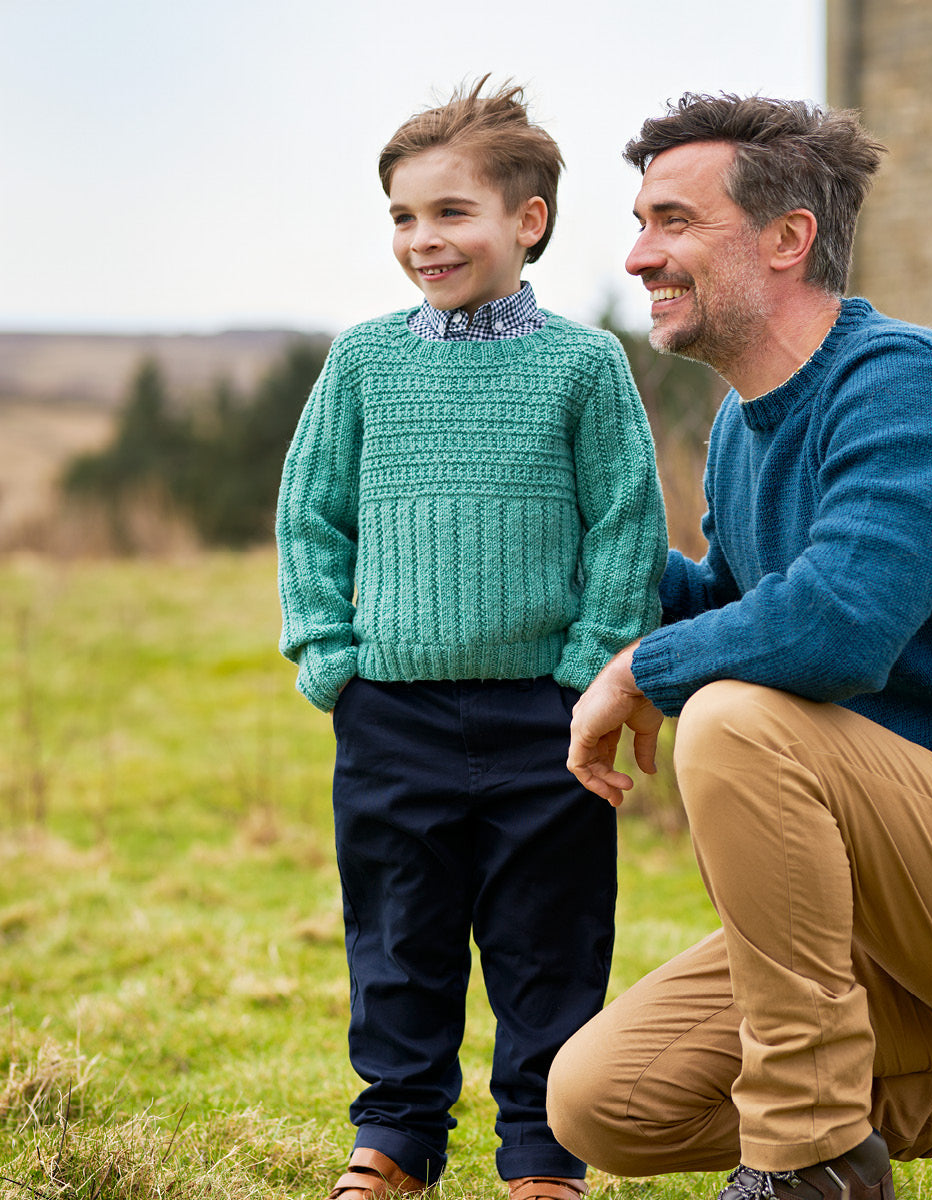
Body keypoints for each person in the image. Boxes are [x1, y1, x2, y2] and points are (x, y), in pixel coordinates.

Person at [547, 93, 932, 1200]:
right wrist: (589, 549)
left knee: (735, 719)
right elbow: (740, 614)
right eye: (640, 222)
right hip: (888, 898)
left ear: (788, 237)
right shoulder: (741, 429)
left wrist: (644, 671)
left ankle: (811, 1165)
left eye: (674, 220)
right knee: (602, 1098)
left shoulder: (909, 385)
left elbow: (835, 629)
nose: (639, 255)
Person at [276, 77, 667, 1200]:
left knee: (550, 946)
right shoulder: (363, 362)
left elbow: (627, 524)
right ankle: (395, 1140)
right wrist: (331, 658)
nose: (423, 239)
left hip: (547, 716)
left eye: (451, 213)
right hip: (390, 710)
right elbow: (312, 515)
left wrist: (591, 666)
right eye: (403, 216)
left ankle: (543, 1158)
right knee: (399, 941)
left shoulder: (584, 366)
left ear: (527, 221)